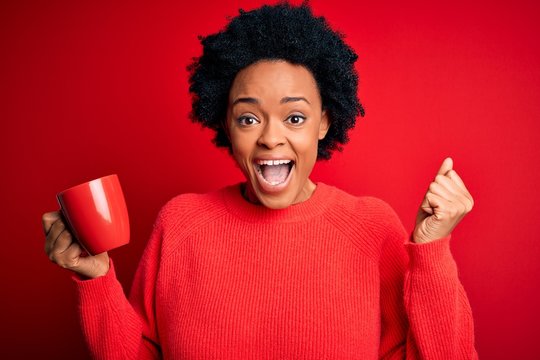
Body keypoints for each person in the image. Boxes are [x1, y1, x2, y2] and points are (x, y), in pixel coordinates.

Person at [42, 2, 477, 359]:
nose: (271, 137)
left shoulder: (372, 228)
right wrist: (96, 278)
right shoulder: (180, 224)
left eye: (295, 117)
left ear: (323, 123)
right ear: (227, 126)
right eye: (248, 118)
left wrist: (432, 251)